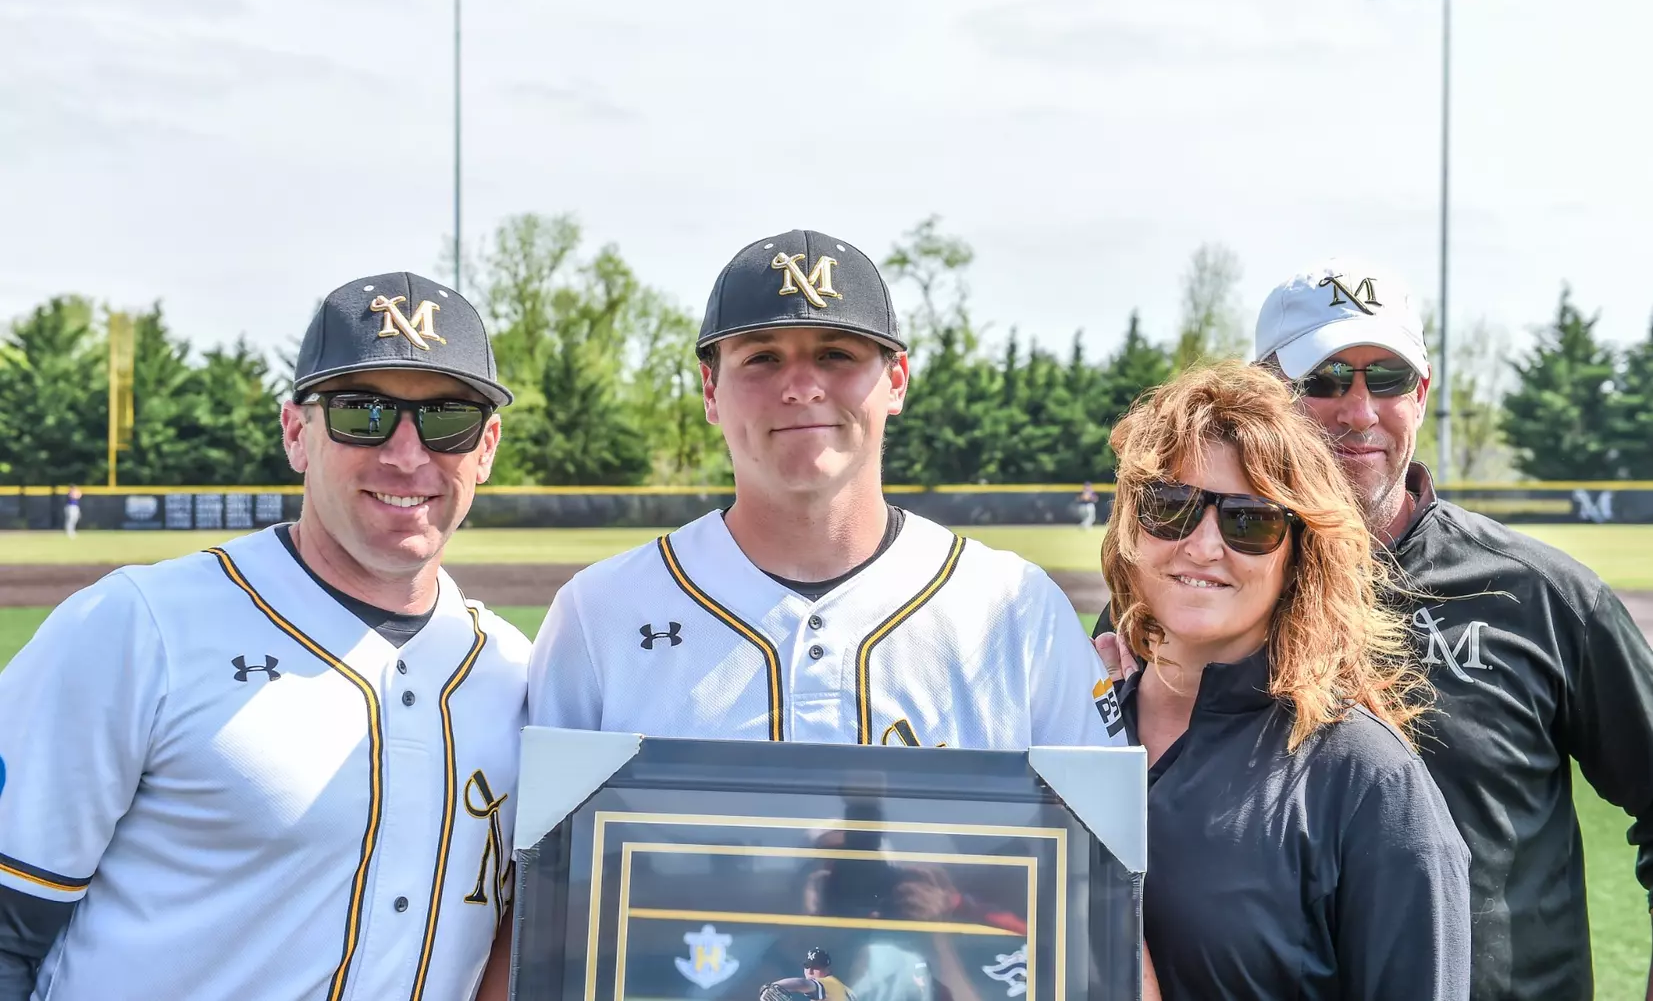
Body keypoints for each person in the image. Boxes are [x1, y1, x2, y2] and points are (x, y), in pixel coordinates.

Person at [1098, 260, 1653, 1001]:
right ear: (1263, 395)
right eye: (1322, 379)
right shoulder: (1173, 611)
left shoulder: (1540, 595)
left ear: (1420, 394)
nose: (1357, 411)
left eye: (1385, 379)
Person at [0, 272, 530, 1000]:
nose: (407, 455)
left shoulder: (516, 676)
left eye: (447, 420)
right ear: (295, 434)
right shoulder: (138, 628)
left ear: (486, 447)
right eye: (362, 412)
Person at [526, 229, 1123, 749]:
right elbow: (546, 865)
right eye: (762, 357)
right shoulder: (599, 614)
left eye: (837, 354)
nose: (802, 387)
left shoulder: (1016, 609)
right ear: (710, 390)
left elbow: (1095, 860)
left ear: (896, 381)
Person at [1099, 358, 1470, 1000]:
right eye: (1170, 506)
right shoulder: (1067, 719)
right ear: (1131, 525)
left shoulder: (1363, 778)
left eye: (1249, 520)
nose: (1204, 545)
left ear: (1300, 554)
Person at [760, 947, 858, 1001]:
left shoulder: (830, 984)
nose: (810, 971)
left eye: (816, 967)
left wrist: (776, 986)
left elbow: (802, 984)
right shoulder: (847, 991)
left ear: (828, 969)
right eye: (807, 966)